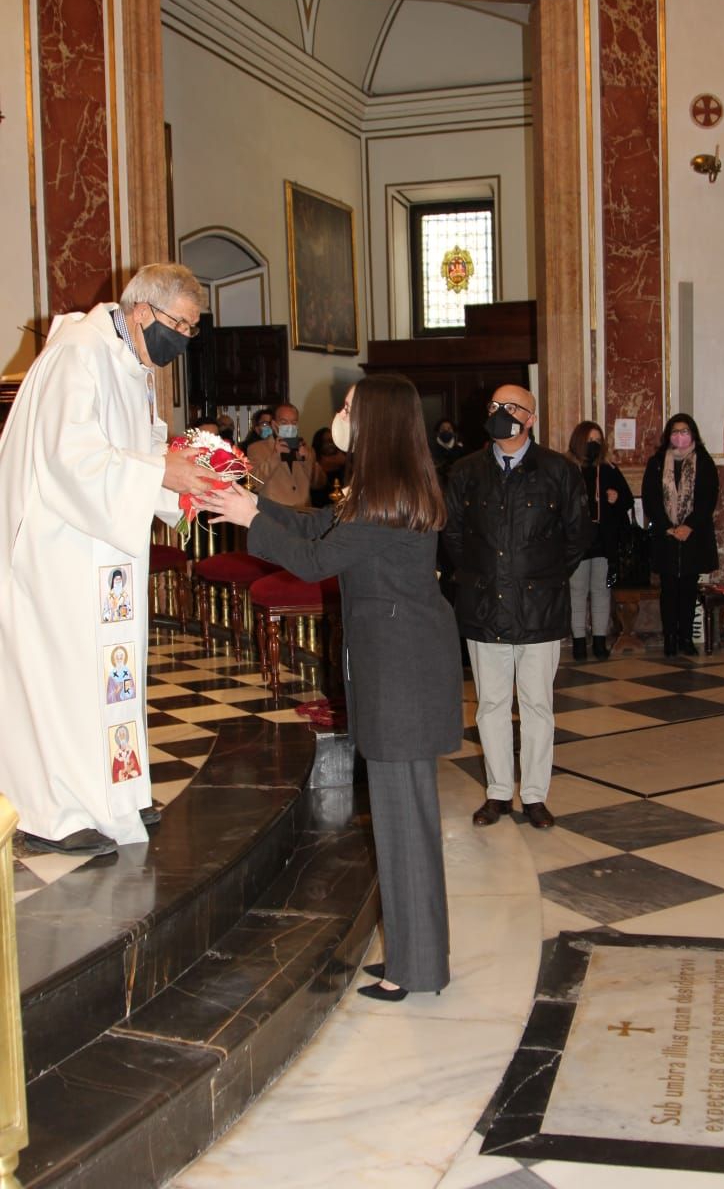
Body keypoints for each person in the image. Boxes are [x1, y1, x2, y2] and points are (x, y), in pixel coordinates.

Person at [200, 375, 463, 1002]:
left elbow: (316, 560)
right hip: (401, 665)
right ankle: (415, 954)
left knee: (404, 823)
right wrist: (254, 503)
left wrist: (245, 517)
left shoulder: (385, 496)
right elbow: (319, 526)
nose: (339, 414)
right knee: (404, 822)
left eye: (348, 408)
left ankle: (417, 967)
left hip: (401, 673)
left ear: (377, 420)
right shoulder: (387, 489)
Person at [0, 262, 216, 855]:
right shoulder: (77, 353)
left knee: (111, 675)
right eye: (183, 326)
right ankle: (55, 810)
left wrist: (180, 489)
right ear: (143, 311)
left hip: (102, 551)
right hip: (58, 554)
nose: (186, 340)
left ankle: (115, 794)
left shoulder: (133, 363)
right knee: (66, 679)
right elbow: (68, 457)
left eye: (194, 329)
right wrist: (157, 473)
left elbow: (142, 446)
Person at [443, 385, 590, 831]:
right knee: (489, 703)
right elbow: (452, 537)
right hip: (484, 604)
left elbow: (577, 536)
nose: (498, 414)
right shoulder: (466, 472)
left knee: (537, 705)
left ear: (530, 419)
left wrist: (538, 577)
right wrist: (481, 577)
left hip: (538, 607)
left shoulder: (558, 471)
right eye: (492, 407)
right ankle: (498, 793)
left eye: (509, 408)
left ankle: (535, 796)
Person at [641, 412, 719, 657]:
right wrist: (667, 526)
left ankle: (686, 637)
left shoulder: (704, 462)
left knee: (688, 589)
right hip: (666, 537)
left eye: (684, 431)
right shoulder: (656, 463)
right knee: (669, 589)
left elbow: (708, 499)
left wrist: (688, 526)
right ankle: (670, 638)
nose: (680, 436)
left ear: (692, 434)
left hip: (693, 537)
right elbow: (651, 498)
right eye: (675, 432)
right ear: (668, 436)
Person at [567, 420, 634, 661]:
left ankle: (599, 641)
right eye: (589, 440)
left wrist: (616, 498)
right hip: (577, 542)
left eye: (598, 440)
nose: (594, 444)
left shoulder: (608, 469)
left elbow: (626, 500)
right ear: (579, 441)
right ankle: (578, 642)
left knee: (601, 591)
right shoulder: (567, 469)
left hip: (603, 542)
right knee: (577, 591)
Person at [246, 400, 325, 508]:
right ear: (274, 424)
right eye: (284, 422)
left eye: (294, 422)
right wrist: (275, 457)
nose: (290, 426)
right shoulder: (257, 448)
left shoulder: (307, 449)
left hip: (303, 515)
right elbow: (253, 484)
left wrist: (307, 461)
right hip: (274, 516)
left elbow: (319, 484)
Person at [310, 424, 347, 507]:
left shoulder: (343, 460)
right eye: (327, 441)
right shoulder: (315, 463)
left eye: (333, 441)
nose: (331, 445)